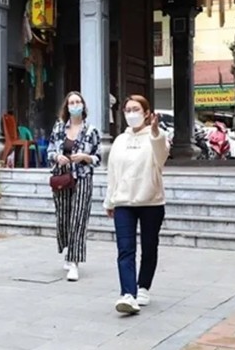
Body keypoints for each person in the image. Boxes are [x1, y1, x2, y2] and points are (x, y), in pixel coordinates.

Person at [104, 95, 169, 314]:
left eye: (136, 109)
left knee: (149, 247)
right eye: (128, 109)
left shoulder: (157, 137)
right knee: (125, 249)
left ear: (147, 113)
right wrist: (109, 200)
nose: (131, 113)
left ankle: (144, 286)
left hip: (151, 201)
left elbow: (161, 158)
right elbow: (112, 172)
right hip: (123, 201)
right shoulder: (120, 140)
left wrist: (155, 132)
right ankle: (127, 294)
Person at [47, 91, 101, 281]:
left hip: (83, 178)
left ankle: (74, 262)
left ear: (83, 106)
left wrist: (86, 157)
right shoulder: (59, 128)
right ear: (67, 107)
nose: (75, 105)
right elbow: (50, 150)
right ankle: (68, 249)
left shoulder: (91, 130)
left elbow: (98, 157)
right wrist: (56, 157)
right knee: (63, 217)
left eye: (78, 102)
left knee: (78, 218)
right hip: (62, 177)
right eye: (72, 102)